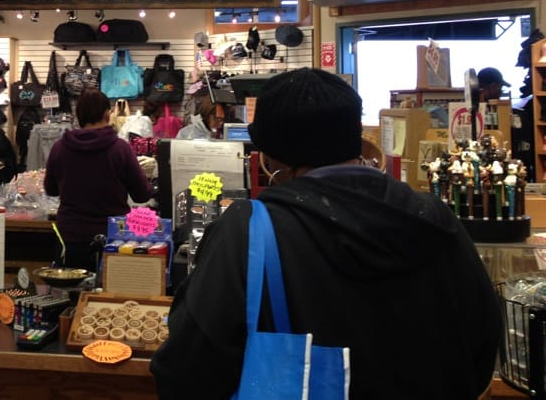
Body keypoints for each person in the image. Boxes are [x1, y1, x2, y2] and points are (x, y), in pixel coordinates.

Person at [150, 68, 501, 400]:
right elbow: (483, 343)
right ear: (354, 135)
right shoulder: (435, 216)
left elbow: (188, 368)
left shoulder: (251, 230)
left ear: (270, 156)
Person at [44, 88, 153, 272]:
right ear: (106, 114)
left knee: (71, 286)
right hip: (113, 237)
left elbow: (51, 189)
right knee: (110, 288)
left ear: (78, 116)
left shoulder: (60, 147)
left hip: (70, 236)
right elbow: (142, 195)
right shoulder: (120, 149)